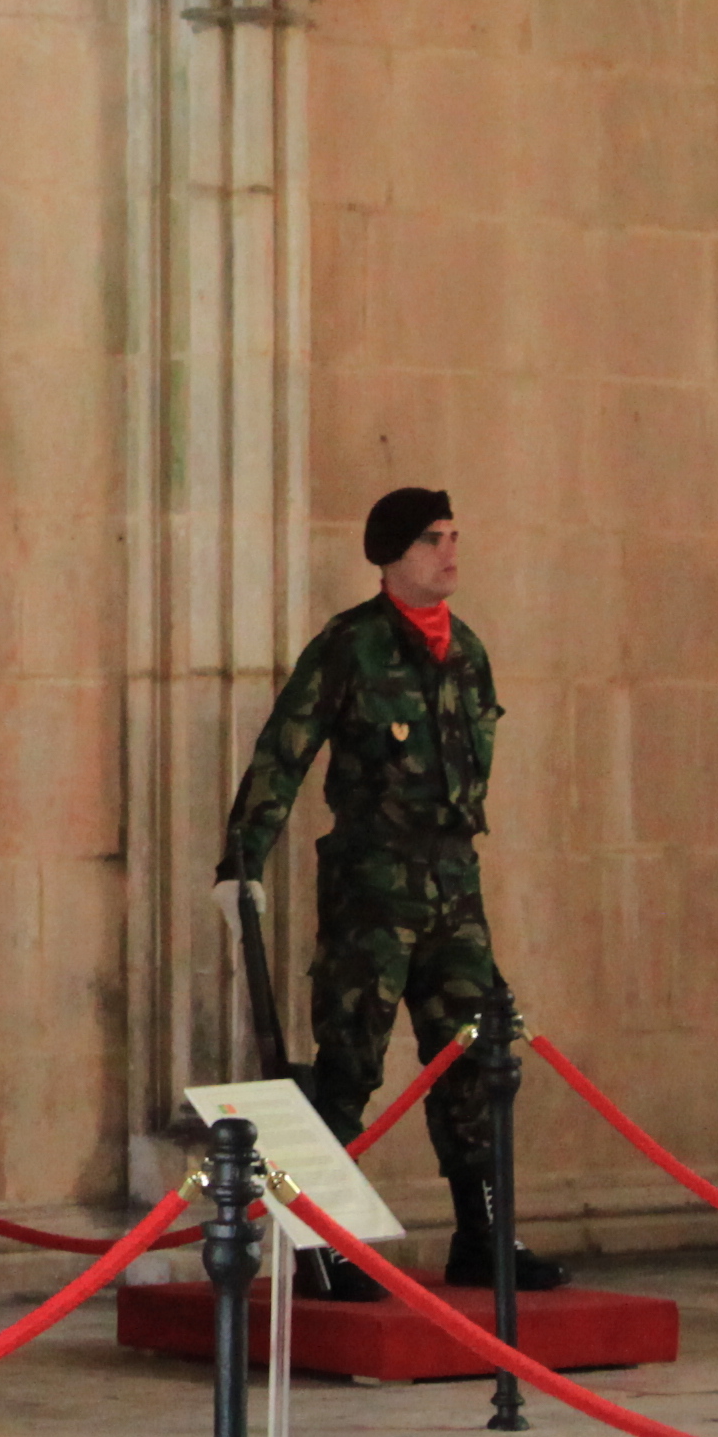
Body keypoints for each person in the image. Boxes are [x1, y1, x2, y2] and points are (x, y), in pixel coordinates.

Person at [216, 486, 570, 1302]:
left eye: (454, 537)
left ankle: (484, 1234)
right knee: (350, 1064)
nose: (450, 554)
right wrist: (241, 862)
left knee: (475, 1060)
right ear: (391, 557)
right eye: (432, 541)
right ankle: (326, 1241)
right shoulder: (350, 646)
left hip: (453, 883)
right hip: (372, 886)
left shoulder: (469, 652)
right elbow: (285, 749)